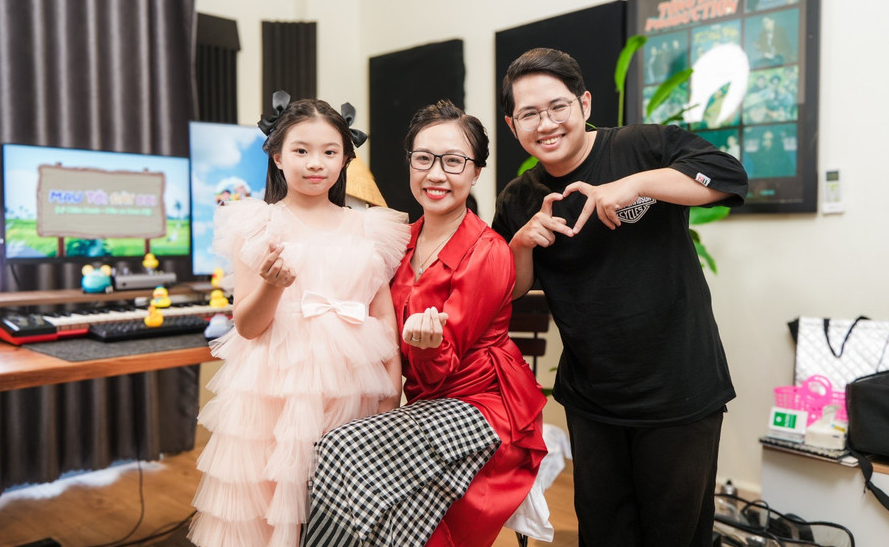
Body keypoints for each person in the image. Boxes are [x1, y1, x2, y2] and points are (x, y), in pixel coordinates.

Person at [492, 48, 748, 547]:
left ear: (585, 103)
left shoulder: (642, 146)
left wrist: (636, 185)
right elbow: (510, 290)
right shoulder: (519, 197)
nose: (546, 124)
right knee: (604, 533)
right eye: (529, 114)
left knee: (675, 535)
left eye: (558, 107)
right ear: (512, 125)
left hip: (679, 391)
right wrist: (521, 244)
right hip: (593, 398)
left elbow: (728, 175)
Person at [303, 100, 548, 547]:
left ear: (476, 172)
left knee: (341, 449)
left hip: (484, 411)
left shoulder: (487, 251)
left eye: (453, 161)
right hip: (425, 407)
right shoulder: (400, 241)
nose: (436, 174)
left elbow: (439, 370)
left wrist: (425, 346)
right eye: (424, 159)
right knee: (323, 449)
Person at [188, 94, 409, 547]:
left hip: (353, 386)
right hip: (277, 391)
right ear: (277, 155)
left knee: (343, 511)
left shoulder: (369, 227)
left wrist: (391, 391)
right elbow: (247, 327)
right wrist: (272, 286)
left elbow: (383, 316)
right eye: (301, 150)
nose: (315, 163)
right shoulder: (257, 224)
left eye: (329, 151)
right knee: (276, 510)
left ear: (345, 158)